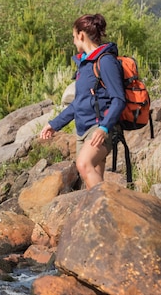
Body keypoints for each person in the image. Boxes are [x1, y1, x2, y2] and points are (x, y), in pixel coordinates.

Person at [40, 13, 125, 189]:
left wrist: (104, 127)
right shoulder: (85, 64)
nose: (73, 41)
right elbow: (78, 103)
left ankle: (107, 208)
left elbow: (118, 99)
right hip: (83, 130)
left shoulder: (106, 61)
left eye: (73, 37)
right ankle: (101, 213)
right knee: (92, 180)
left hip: (99, 127)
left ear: (81, 35)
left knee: (83, 164)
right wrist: (54, 124)